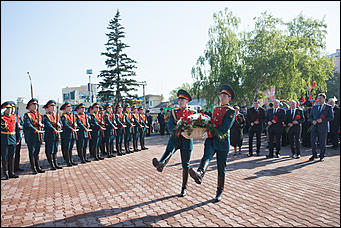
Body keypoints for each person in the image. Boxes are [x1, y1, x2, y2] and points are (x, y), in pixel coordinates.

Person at [189, 85, 236, 202]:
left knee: (221, 167)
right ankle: (200, 174)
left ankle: (219, 191)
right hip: (211, 140)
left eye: (225, 96)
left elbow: (224, 128)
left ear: (229, 98)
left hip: (222, 140)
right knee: (206, 157)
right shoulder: (215, 109)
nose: (222, 97)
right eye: (221, 95)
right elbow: (212, 123)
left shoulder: (231, 111)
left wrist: (209, 133)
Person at [152, 89, 194, 197]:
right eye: (179, 100)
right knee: (169, 150)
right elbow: (170, 125)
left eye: (182, 100)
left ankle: (184, 188)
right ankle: (161, 164)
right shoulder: (174, 112)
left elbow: (195, 127)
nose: (180, 102)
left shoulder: (192, 113)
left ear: (187, 101)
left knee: (185, 164)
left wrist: (189, 133)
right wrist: (177, 132)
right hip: (176, 137)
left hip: (187, 140)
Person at [309, 93, 334, 162]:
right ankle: (314, 154)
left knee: (322, 142)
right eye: (318, 98)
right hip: (314, 127)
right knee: (312, 141)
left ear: (324, 99)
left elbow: (331, 117)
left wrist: (322, 120)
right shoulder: (314, 107)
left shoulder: (328, 107)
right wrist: (312, 121)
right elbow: (310, 116)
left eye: (320, 98)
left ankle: (322, 156)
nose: (319, 100)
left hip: (323, 127)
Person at [23, 98, 45, 174]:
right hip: (31, 136)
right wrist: (35, 129)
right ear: (29, 106)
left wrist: (41, 125)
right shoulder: (27, 115)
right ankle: (33, 168)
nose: (35, 106)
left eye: (36, 105)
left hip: (38, 136)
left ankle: (38, 166)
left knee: (37, 152)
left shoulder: (39, 115)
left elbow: (41, 123)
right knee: (32, 152)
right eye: (33, 105)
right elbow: (27, 124)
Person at [1, 101, 19, 179]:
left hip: (13, 138)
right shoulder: (1, 118)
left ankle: (11, 172)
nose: (10, 110)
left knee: (12, 156)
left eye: (11, 108)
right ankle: (5, 173)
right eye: (8, 108)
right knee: (4, 157)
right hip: (4, 139)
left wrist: (18, 138)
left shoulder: (14, 117)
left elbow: (17, 129)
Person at [43, 100, 62, 170]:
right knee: (50, 150)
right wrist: (54, 129)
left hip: (56, 135)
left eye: (54, 106)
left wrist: (60, 125)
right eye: (51, 106)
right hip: (49, 135)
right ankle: (51, 164)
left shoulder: (56, 115)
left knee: (55, 150)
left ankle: (55, 163)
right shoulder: (46, 116)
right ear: (48, 107)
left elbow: (60, 122)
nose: (53, 107)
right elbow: (48, 125)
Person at [60, 102, 78, 166]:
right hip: (66, 134)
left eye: (70, 107)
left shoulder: (72, 115)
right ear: (65, 108)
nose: (70, 108)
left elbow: (74, 123)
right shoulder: (63, 116)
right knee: (67, 148)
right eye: (68, 107)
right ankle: (68, 161)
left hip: (72, 133)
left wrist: (75, 125)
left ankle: (71, 160)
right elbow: (65, 125)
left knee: (70, 148)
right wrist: (71, 129)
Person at [11, 101, 24, 173]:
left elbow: (22, 124)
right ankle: (11, 168)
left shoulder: (18, 117)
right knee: (11, 154)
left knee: (17, 153)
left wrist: (20, 126)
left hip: (18, 136)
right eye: (12, 108)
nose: (13, 110)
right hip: (12, 137)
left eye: (14, 108)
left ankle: (17, 166)